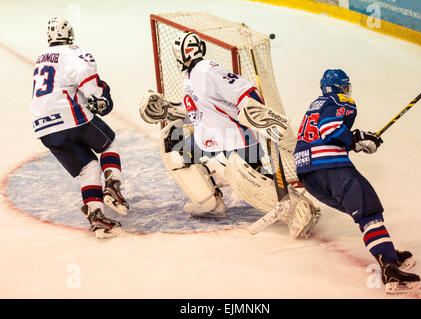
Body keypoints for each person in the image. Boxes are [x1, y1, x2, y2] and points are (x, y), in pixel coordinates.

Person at [139, 31, 319, 239]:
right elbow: (196, 110)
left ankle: (300, 210)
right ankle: (208, 202)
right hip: (209, 140)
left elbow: (244, 90)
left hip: (235, 138)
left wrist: (257, 110)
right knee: (174, 145)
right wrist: (170, 109)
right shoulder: (190, 77)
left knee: (253, 180)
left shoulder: (207, 70)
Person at [294, 69, 421, 294]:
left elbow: (324, 131)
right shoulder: (342, 100)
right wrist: (356, 137)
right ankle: (390, 271)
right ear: (342, 87)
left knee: (362, 213)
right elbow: (330, 128)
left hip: (308, 175)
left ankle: (387, 253)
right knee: (369, 213)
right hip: (332, 169)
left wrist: (355, 142)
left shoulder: (316, 104)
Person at [29, 17, 129, 238]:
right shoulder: (72, 51)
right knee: (108, 141)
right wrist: (99, 95)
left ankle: (97, 217)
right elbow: (85, 76)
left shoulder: (41, 57)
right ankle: (112, 185)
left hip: (43, 127)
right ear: (69, 33)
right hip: (68, 116)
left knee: (89, 167)